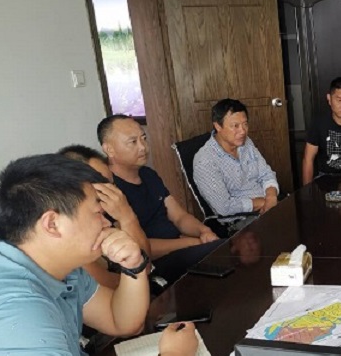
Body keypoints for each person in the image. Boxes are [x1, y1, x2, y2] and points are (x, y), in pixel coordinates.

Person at [0, 154, 198, 356]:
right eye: (97, 213)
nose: (106, 223)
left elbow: (121, 321)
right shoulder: (13, 306)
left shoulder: (62, 266)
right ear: (52, 224)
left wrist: (133, 265)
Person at [98, 115, 223, 287]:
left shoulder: (149, 175)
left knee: (225, 249)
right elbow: (137, 246)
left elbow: (179, 217)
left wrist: (203, 231)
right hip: (154, 264)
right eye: (133, 142)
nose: (143, 147)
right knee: (220, 256)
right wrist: (192, 242)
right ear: (109, 149)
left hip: (180, 247)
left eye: (143, 138)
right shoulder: (109, 191)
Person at [58, 144, 151, 289]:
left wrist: (127, 217)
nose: (113, 192)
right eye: (101, 184)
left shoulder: (106, 217)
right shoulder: (66, 232)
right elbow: (111, 284)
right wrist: (126, 217)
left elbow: (145, 266)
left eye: (111, 184)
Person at [194, 99, 279, 216]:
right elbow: (224, 207)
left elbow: (266, 174)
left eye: (245, 124)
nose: (242, 131)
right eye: (235, 126)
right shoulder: (205, 160)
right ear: (218, 126)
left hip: (269, 203)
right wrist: (262, 203)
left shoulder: (245, 142)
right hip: (242, 218)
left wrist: (271, 198)